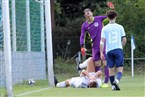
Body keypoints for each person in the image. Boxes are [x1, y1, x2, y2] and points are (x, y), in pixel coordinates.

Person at [80, 8, 109, 87]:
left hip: (104, 44)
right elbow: (82, 36)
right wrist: (82, 45)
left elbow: (109, 16)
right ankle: (98, 81)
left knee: (105, 62)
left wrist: (112, 9)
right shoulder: (85, 25)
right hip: (95, 46)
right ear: (85, 16)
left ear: (92, 13)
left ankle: (106, 82)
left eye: (89, 13)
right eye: (86, 15)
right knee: (97, 64)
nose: (88, 15)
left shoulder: (99, 18)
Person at [100, 10, 127, 90]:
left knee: (110, 69)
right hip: (118, 49)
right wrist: (121, 46)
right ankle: (117, 80)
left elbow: (102, 42)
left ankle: (113, 86)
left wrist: (101, 52)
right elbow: (124, 39)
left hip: (109, 50)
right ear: (116, 17)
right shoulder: (120, 27)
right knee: (120, 68)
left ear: (107, 18)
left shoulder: (104, 28)